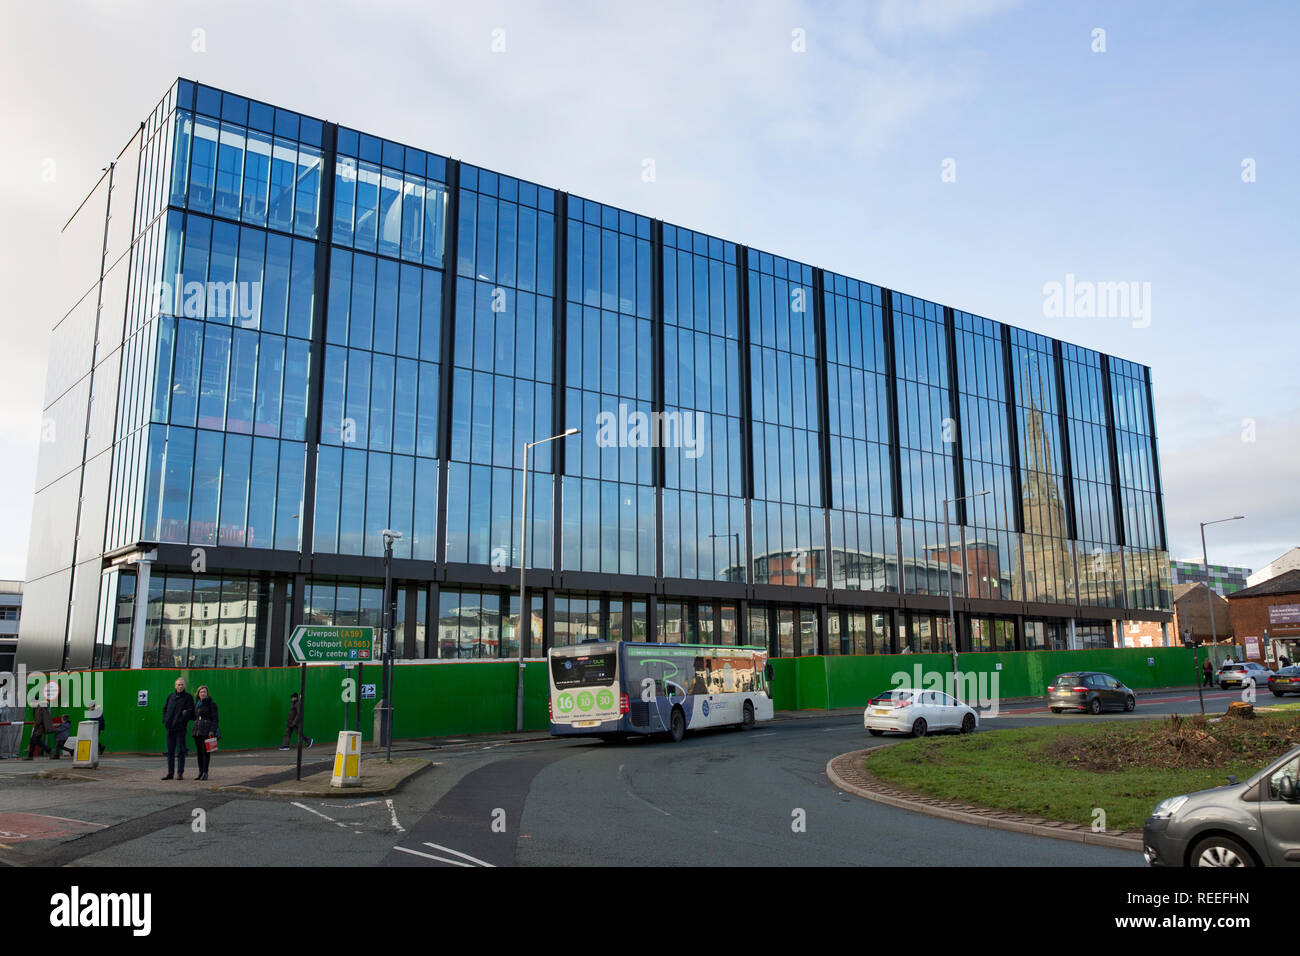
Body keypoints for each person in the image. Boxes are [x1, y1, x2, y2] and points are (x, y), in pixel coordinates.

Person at [161, 677, 195, 780]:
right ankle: (170, 773)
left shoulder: (188, 697)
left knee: (181, 751)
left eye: (182, 684)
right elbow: (165, 709)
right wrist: (165, 720)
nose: (180, 686)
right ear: (175, 686)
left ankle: (180, 773)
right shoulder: (170, 696)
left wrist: (181, 721)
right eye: (178, 684)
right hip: (170, 728)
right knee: (170, 751)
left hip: (180, 729)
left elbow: (190, 711)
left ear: (185, 686)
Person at [191, 686, 219, 781]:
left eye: (204, 692)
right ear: (198, 694)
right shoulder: (196, 704)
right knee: (199, 752)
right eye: (201, 692)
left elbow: (215, 719)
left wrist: (212, 731)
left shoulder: (212, 704)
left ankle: (205, 773)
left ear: (207, 693)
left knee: (206, 752)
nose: (203, 693)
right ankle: (200, 772)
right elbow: (194, 717)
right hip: (197, 730)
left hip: (207, 730)